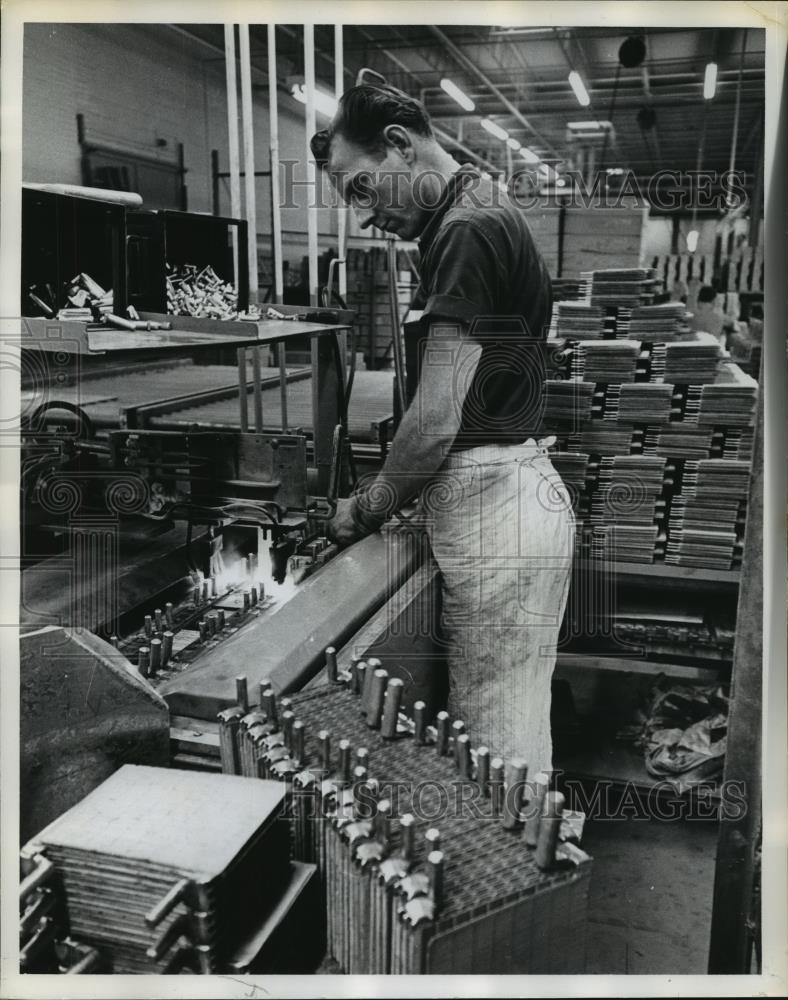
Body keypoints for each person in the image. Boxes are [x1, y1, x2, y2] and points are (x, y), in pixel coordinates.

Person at [311, 85, 574, 775]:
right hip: (502, 502)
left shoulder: (464, 230)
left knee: (497, 752)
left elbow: (432, 424)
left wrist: (367, 508)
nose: (365, 212)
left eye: (362, 186)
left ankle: (520, 873)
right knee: (501, 732)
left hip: (497, 515)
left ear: (400, 143)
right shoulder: (478, 208)